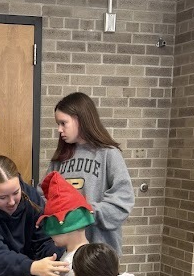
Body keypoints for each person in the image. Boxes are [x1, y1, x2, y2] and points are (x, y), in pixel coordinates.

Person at [47, 92, 134, 254]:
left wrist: (85, 212)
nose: (59, 129)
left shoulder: (109, 154)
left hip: (100, 253)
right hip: (66, 253)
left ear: (80, 119)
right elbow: (45, 196)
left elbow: (123, 201)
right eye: (58, 124)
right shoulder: (59, 159)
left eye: (63, 123)